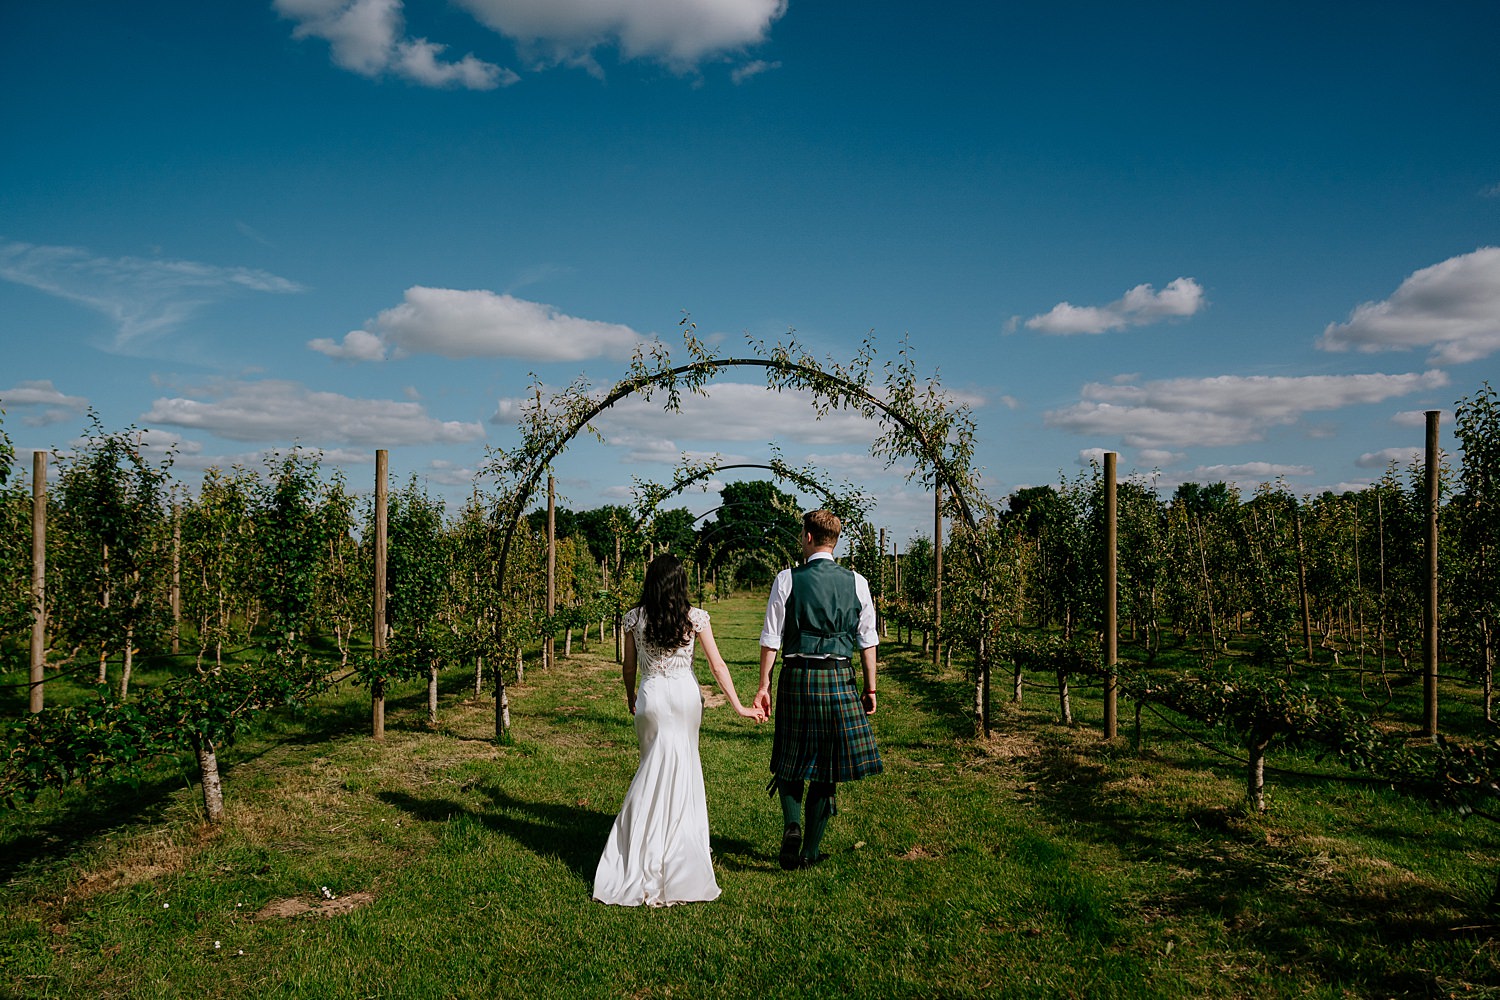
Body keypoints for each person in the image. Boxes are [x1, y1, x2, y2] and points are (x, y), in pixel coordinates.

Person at [593, 553, 765, 906]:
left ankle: (640, 849)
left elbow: (629, 667)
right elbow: (717, 665)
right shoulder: (694, 617)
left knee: (651, 768)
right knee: (683, 768)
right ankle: (679, 849)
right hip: (686, 697)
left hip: (652, 695)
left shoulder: (633, 618)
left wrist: (631, 697)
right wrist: (739, 705)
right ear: (680, 582)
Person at [754, 509, 882, 871]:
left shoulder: (786, 579)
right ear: (834, 540)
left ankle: (792, 825)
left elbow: (771, 638)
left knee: (790, 758)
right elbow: (867, 639)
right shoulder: (857, 581)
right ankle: (809, 851)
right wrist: (870, 688)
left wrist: (764, 684)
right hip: (838, 677)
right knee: (827, 767)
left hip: (796, 676)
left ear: (808, 537)